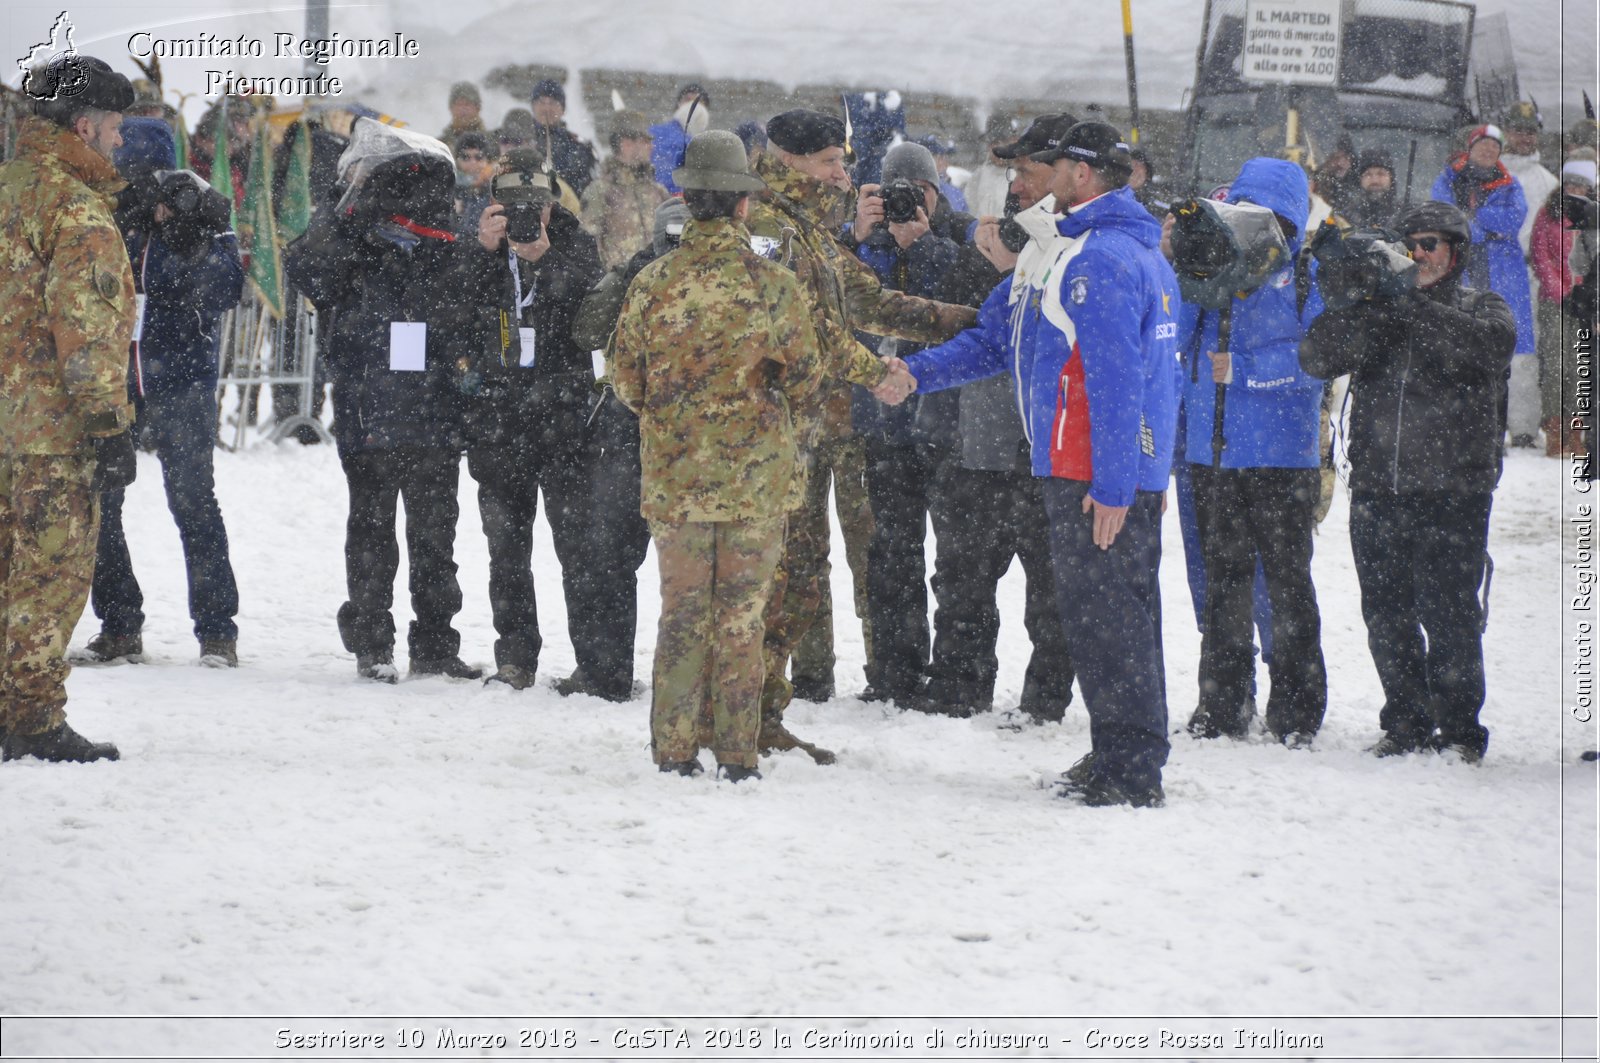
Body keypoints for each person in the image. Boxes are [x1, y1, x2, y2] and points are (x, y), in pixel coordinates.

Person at [904, 120, 1180, 807]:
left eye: (1029, 168)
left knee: (1110, 619)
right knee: (1108, 617)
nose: (1017, 184)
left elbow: (1121, 382)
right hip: (1088, 469)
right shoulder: (1057, 251)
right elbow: (995, 341)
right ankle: (1121, 748)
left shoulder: (1098, 260)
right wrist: (912, 376)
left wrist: (1121, 484)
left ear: (1078, 174)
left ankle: (1130, 767)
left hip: (1094, 474)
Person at [747, 108, 973, 761]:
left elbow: (871, 302)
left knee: (801, 575)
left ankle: (760, 714)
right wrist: (880, 373)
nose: (844, 175)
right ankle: (736, 717)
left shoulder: (812, 232)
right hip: (766, 434)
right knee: (769, 575)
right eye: (830, 163)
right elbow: (811, 330)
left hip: (818, 422)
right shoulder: (765, 228)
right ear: (789, 162)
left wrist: (976, 324)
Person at [612, 131, 823, 781]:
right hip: (754, 483)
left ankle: (674, 746)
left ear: (686, 199)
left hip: (677, 481)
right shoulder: (773, 285)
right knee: (741, 618)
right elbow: (807, 375)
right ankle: (736, 751)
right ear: (740, 206)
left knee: (681, 616)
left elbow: (625, 380)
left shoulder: (653, 283)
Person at [1301, 201, 1516, 762]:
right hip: (1378, 488)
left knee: (1450, 614)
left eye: (1431, 245)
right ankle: (1406, 721)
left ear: (1456, 252)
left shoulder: (1480, 305)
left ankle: (1460, 730)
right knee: (1385, 612)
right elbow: (1316, 357)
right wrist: (1351, 296)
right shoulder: (1382, 309)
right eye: (1410, 245)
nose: (1419, 255)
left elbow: (1489, 349)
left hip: (1454, 491)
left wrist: (1411, 307)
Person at [284, 120, 479, 684]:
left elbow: (461, 306)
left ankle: (436, 645)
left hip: (431, 410)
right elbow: (305, 268)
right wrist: (349, 208)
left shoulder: (443, 240)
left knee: (434, 533)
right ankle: (373, 642)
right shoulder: (349, 234)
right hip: (368, 404)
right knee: (373, 528)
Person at [0, 56, 137, 762]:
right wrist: (110, 427)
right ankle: (29, 717)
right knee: (46, 581)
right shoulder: (75, 209)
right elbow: (85, 336)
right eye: (115, 129)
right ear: (85, 126)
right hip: (49, 434)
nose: (119, 144)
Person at [921, 113, 1077, 724]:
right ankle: (959, 687)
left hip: (1048, 452)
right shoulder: (986, 243)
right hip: (980, 447)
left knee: (1055, 592)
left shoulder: (1085, 248)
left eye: (1026, 172)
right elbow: (973, 325)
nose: (1015, 186)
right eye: (1010, 174)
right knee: (962, 580)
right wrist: (992, 264)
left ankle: (1045, 701)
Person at [1173, 158, 1328, 747]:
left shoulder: (1307, 275)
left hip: (1283, 461)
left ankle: (1297, 710)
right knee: (1223, 588)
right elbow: (1177, 339)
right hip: (1214, 457)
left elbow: (1318, 362)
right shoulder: (1215, 263)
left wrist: (1246, 369)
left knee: (1289, 586)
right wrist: (1192, 268)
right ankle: (1222, 704)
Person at [80, 117, 244, 668]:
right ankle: (119, 624)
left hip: (181, 381)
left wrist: (184, 238)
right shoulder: (96, 208)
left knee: (194, 501)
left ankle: (218, 630)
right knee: (101, 503)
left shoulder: (199, 204)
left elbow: (226, 287)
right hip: (113, 379)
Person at [453, 149, 613, 694]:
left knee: (579, 549)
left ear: (552, 200)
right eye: (516, 203)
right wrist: (481, 252)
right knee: (506, 550)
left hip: (564, 423)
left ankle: (593, 663)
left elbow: (593, 313)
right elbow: (450, 312)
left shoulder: (575, 243)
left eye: (538, 203)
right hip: (499, 421)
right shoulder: (478, 244)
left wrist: (545, 260)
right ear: (496, 202)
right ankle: (515, 658)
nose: (529, 214)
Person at [848, 141, 970, 709]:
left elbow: (968, 304)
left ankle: (954, 679)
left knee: (957, 561)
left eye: (915, 192)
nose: (904, 202)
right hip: (885, 423)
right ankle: (894, 672)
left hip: (946, 426)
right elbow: (842, 299)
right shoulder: (861, 246)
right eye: (892, 192)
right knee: (892, 554)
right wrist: (858, 237)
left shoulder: (963, 238)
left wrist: (925, 247)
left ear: (935, 194)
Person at [1429, 124, 1536, 445]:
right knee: (1458, 347)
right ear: (1471, 147)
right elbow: (1445, 217)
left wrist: (1474, 218)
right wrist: (1482, 227)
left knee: (1506, 351)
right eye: (1484, 145)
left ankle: (1508, 428)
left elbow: (1513, 220)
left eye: (1495, 147)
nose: (1489, 151)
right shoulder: (1448, 178)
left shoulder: (1510, 184)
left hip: (1502, 276)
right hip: (1461, 270)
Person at [1532, 158, 1597, 457]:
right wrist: (1562, 291)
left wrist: (1584, 291)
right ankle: (1554, 431)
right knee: (1556, 368)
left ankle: (1576, 432)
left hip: (1585, 305)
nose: (1574, 189)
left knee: (1581, 369)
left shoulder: (1593, 218)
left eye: (1579, 184)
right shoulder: (1548, 215)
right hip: (1555, 302)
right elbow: (1540, 256)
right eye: (1569, 183)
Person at [579, 110, 668, 270]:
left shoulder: (658, 192)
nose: (651, 146)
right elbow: (588, 246)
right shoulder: (600, 191)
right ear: (626, 144)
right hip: (618, 288)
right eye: (645, 141)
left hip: (655, 285)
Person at [527, 78, 597, 196]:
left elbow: (587, 191)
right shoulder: (518, 141)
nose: (547, 108)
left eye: (553, 103)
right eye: (541, 102)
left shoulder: (578, 147)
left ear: (563, 109)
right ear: (533, 107)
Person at [649, 83, 711, 195]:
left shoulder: (705, 148)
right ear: (678, 104)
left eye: (697, 102)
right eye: (688, 100)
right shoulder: (653, 134)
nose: (692, 107)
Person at [963, 114, 1019, 219]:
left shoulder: (1022, 175)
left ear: (1013, 141)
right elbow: (969, 211)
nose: (995, 148)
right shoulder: (978, 176)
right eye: (992, 143)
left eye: (1001, 142)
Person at [452, 131, 498, 239]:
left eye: (479, 157)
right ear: (457, 160)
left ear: (487, 159)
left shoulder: (495, 189)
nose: (473, 162)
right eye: (465, 157)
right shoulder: (450, 187)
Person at [1344, 149, 1402, 228]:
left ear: (1391, 179)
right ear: (1360, 180)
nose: (1374, 180)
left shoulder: (1404, 214)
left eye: (1381, 174)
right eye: (1368, 174)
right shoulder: (1346, 216)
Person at [915, 134, 966, 213]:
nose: (944, 162)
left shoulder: (955, 192)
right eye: (938, 157)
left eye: (945, 157)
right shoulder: (913, 190)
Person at [439, 82, 487, 153]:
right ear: (451, 108)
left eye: (467, 104)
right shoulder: (441, 145)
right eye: (458, 104)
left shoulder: (490, 143)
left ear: (478, 108)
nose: (463, 109)